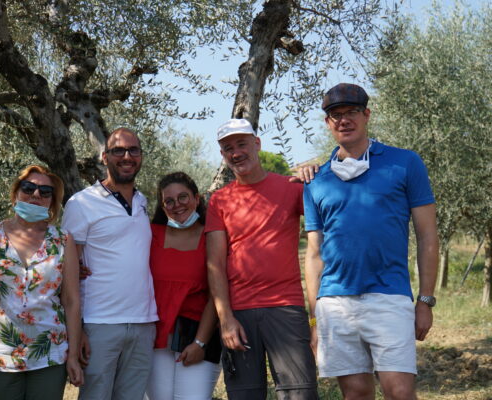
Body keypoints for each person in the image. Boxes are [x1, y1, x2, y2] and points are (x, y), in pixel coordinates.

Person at [303, 83, 439, 400]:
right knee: (356, 394)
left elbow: (427, 234)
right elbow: (314, 254)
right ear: (327, 123)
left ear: (366, 115)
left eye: (351, 112)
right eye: (335, 115)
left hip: (389, 297)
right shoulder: (316, 180)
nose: (343, 120)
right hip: (334, 304)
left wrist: (426, 300)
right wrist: (314, 318)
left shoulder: (405, 163)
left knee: (400, 392)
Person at [206, 118, 318, 400]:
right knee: (244, 396)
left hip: (286, 306)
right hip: (239, 313)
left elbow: (332, 213)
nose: (236, 152)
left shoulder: (292, 188)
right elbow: (215, 265)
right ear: (223, 155)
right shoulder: (219, 201)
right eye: (228, 148)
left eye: (242, 144)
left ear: (257, 144)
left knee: (300, 394)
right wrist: (226, 318)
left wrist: (317, 175)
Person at [0, 165, 84, 400]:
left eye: (45, 192)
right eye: (28, 188)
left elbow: (71, 301)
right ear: (16, 192)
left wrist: (72, 357)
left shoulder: (63, 240)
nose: (36, 195)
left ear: (52, 201)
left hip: (49, 352)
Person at [62, 127, 158, 400]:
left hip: (143, 322)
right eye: (118, 150)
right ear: (104, 157)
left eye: (133, 150)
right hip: (98, 324)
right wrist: (76, 330)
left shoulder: (142, 202)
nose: (126, 156)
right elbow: (68, 275)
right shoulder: (81, 203)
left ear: (140, 156)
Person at [145, 172, 221, 400]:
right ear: (162, 206)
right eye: (169, 201)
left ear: (197, 199)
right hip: (156, 338)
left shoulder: (212, 237)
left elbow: (215, 294)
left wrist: (200, 342)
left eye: (183, 197)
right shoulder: (151, 235)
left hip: (198, 335)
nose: (177, 205)